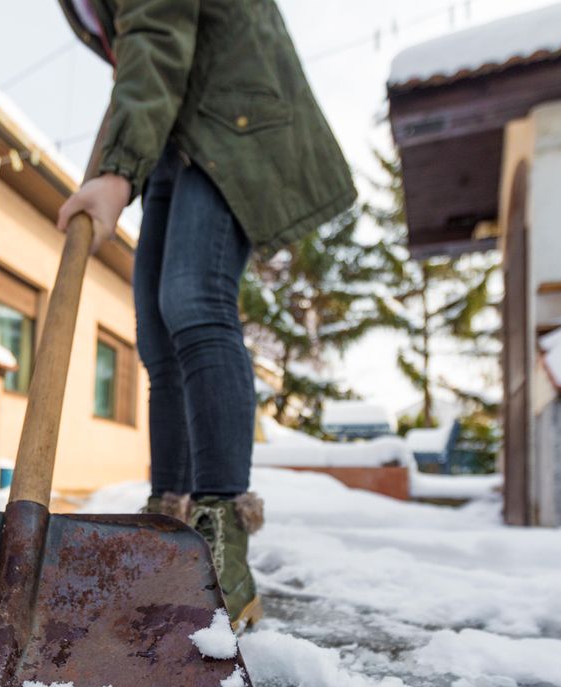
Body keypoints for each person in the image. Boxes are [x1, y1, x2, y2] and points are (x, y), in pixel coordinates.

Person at [56, 0, 355, 631]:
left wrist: (115, 172)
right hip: (176, 131)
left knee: (194, 298)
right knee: (158, 334)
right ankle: (170, 521)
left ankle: (224, 541)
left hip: (234, 114)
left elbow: (158, 30)